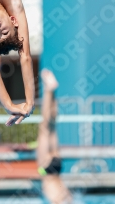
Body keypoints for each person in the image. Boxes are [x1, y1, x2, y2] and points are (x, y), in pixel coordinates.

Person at [37, 69, 72, 204]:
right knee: (46, 127)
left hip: (56, 168)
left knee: (51, 125)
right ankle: (48, 90)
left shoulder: (63, 197)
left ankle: (51, 90)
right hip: (47, 169)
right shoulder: (59, 198)